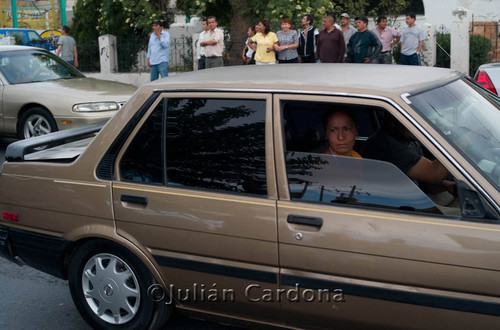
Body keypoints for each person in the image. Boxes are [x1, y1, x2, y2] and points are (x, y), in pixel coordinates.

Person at [361, 115, 450, 185]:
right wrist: (459, 143)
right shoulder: (387, 145)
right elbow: (434, 174)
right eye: (410, 121)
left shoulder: (407, 137)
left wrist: (445, 184)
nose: (417, 125)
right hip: (396, 204)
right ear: (393, 123)